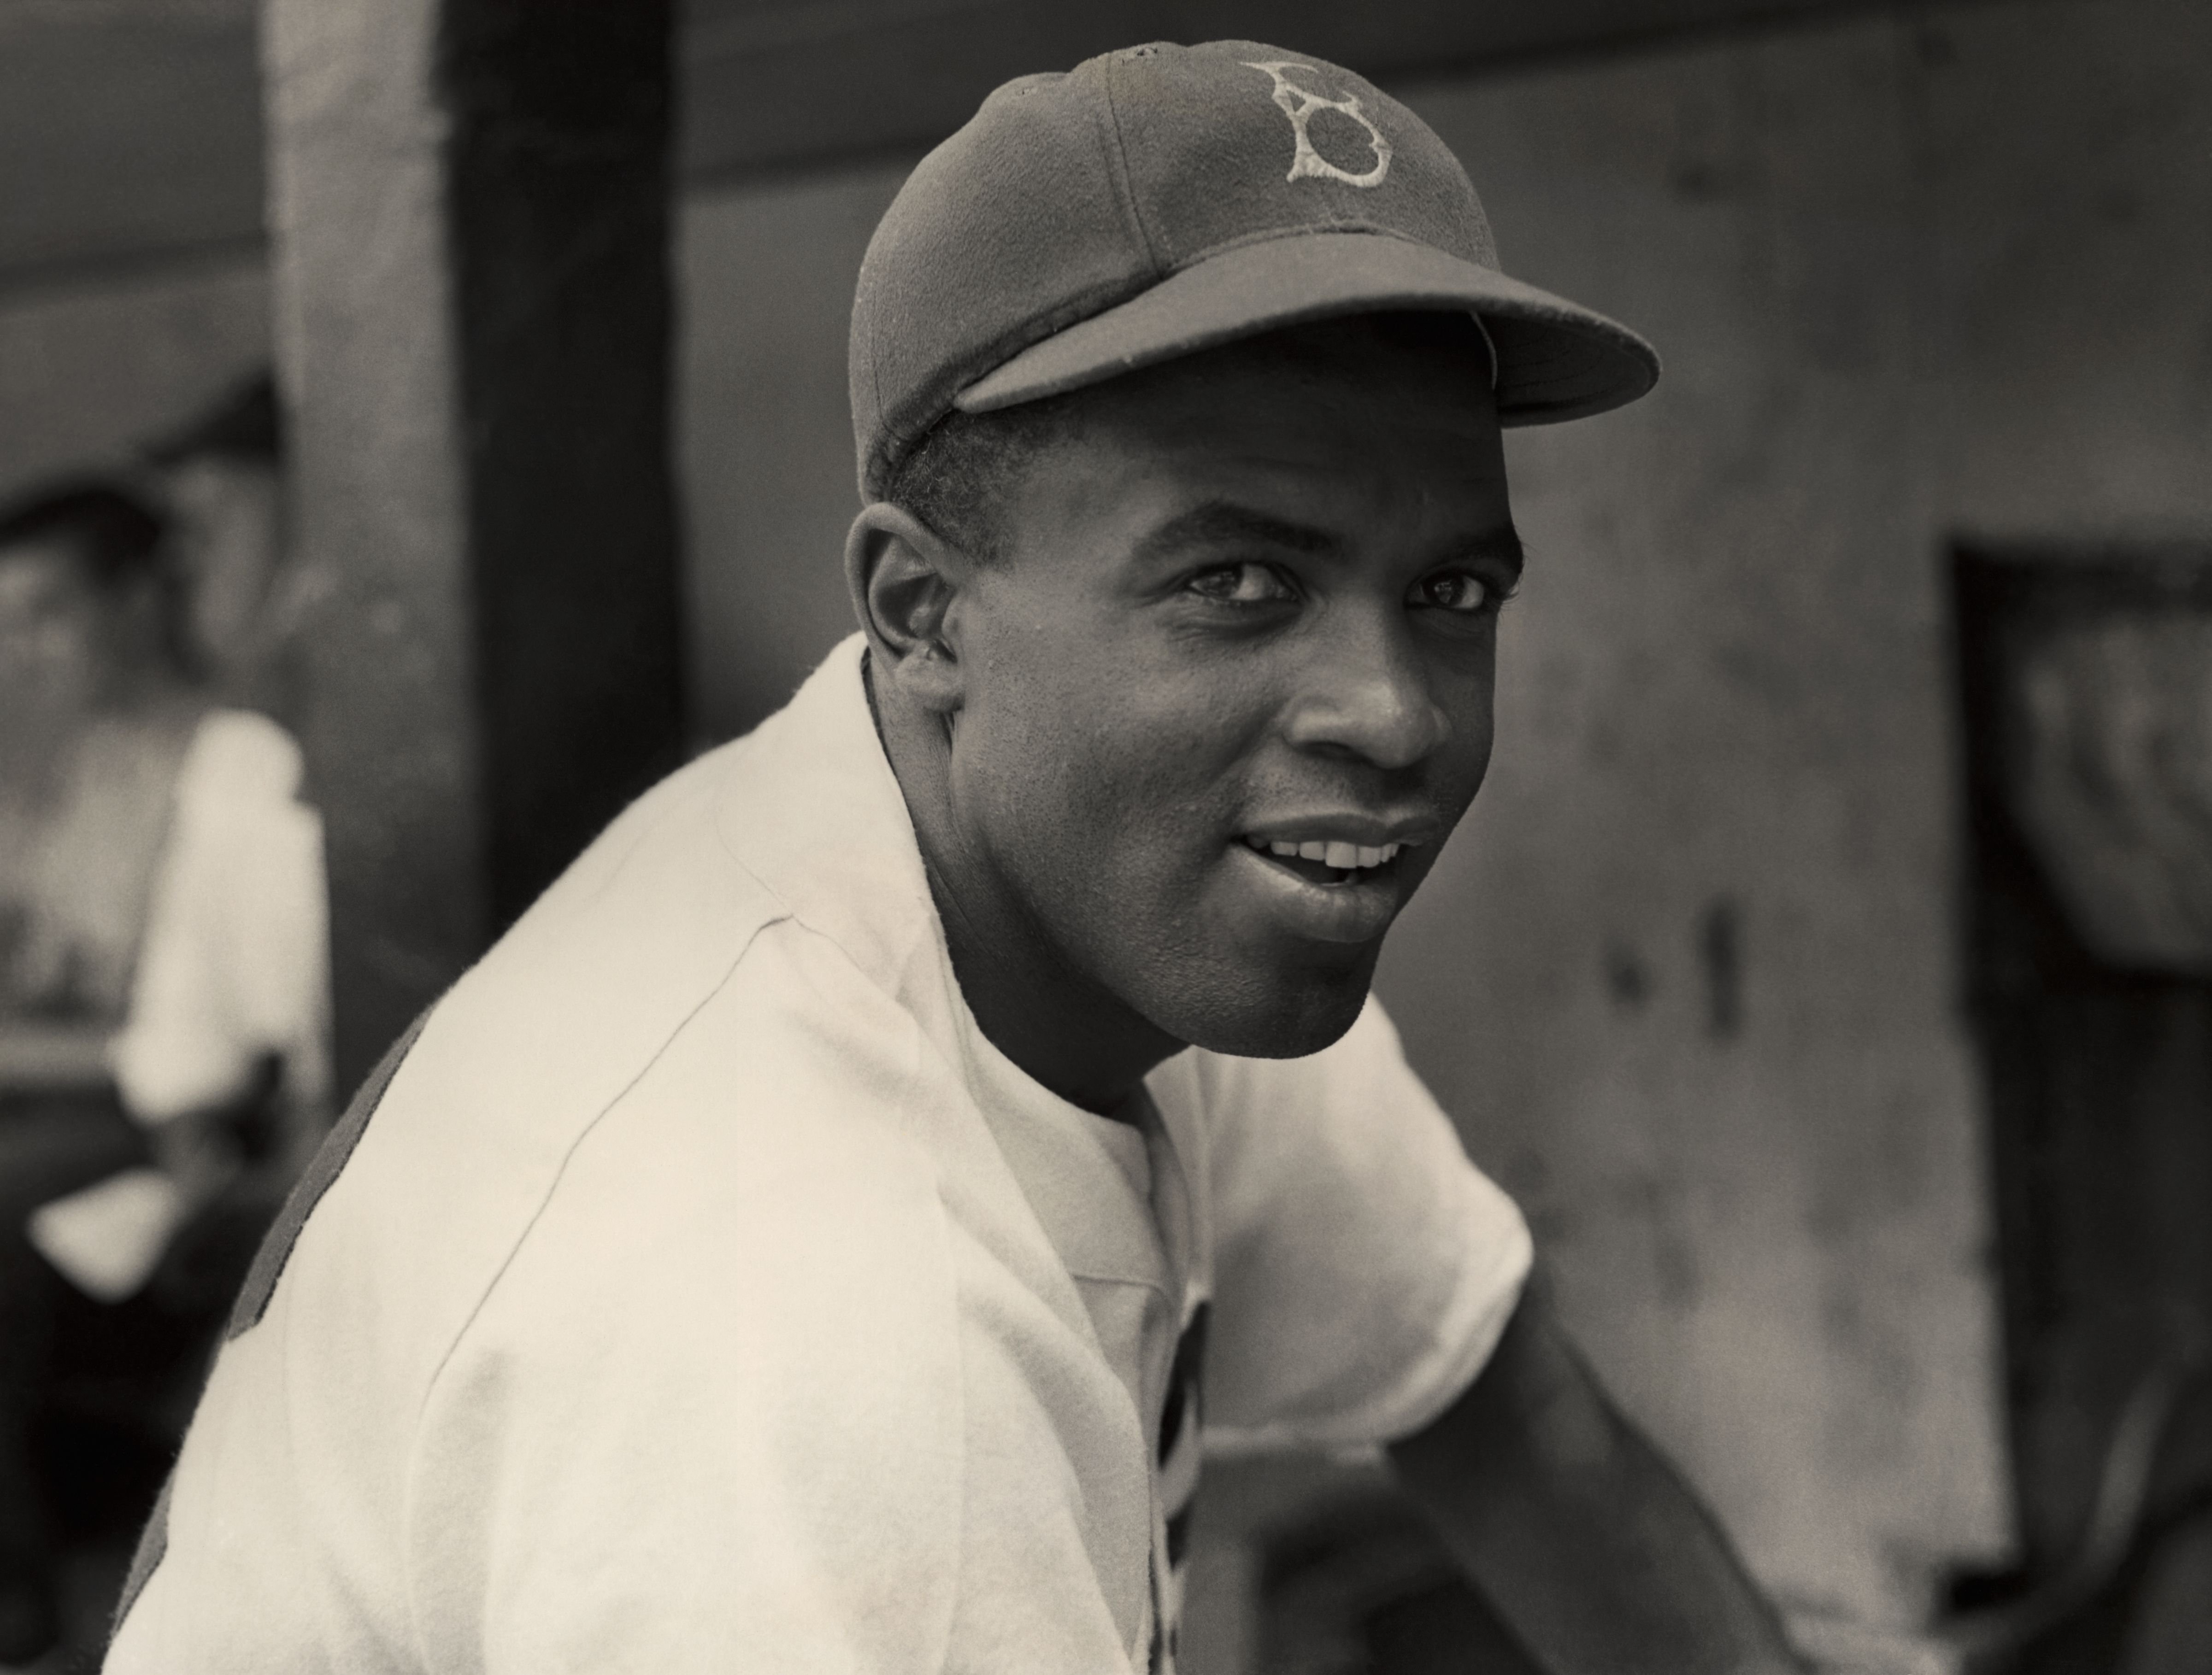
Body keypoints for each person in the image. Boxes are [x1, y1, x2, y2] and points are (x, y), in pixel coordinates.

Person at [108, 41, 1812, 1675]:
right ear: (921, 614)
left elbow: (1504, 1408)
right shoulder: (794, 1312)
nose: (1392, 713)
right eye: (1238, 582)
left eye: (1452, 591)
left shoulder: (1111, 906)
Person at [0, 481, 328, 1667]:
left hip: (184, 1103)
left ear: (144, 597)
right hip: (104, 1081)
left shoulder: (236, 756)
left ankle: (20, 1599)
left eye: (46, 617)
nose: (21, 654)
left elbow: (206, 1031)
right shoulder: (77, 772)